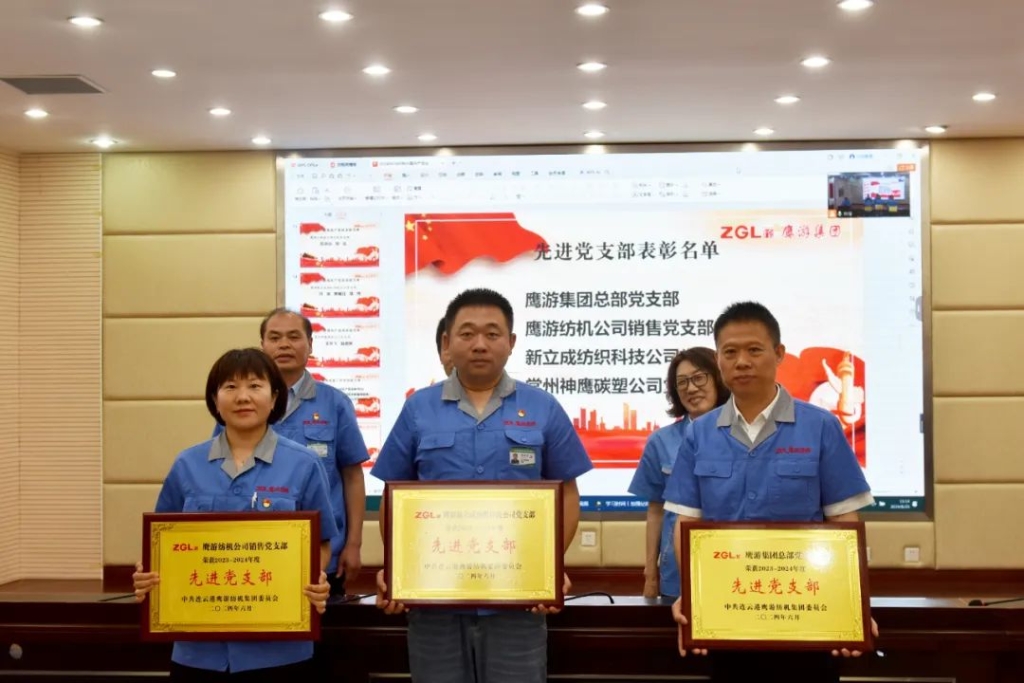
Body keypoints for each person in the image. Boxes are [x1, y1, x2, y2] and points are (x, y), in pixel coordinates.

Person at [372, 287, 593, 683]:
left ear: (511, 342)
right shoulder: (418, 408)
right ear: (447, 342)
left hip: (517, 600)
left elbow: (567, 495)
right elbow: (394, 493)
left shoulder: (543, 407)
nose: (479, 344)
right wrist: (396, 567)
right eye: (467, 333)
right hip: (434, 598)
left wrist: (547, 566)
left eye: (492, 334)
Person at [664, 302, 878, 683]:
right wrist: (692, 595)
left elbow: (844, 521)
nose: (742, 362)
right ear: (719, 360)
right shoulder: (699, 434)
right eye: (730, 352)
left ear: (778, 354)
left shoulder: (821, 427)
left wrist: (852, 604)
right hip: (728, 615)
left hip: (806, 617)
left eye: (754, 349)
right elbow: (686, 523)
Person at [133, 348, 336, 680]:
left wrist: (315, 574)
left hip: (280, 650)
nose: (243, 397)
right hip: (198, 650)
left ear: (275, 397)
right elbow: (159, 544)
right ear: (215, 400)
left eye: (255, 386)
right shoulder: (187, 464)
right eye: (230, 386)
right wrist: (147, 574)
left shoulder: (304, 464)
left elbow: (322, 542)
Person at [215, 308, 369, 597]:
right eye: (275, 338)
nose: (284, 345)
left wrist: (354, 544)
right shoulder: (240, 404)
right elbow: (220, 471)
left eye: (294, 337)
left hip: (321, 553)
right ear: (262, 345)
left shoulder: (334, 403)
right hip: (251, 553)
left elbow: (352, 475)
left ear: (310, 344)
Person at [628, 347, 729, 599]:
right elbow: (655, 510)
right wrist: (651, 575)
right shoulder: (661, 441)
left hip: (731, 564)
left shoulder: (743, 436)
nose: (691, 388)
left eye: (699, 378)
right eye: (682, 382)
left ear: (719, 378)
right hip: (676, 573)